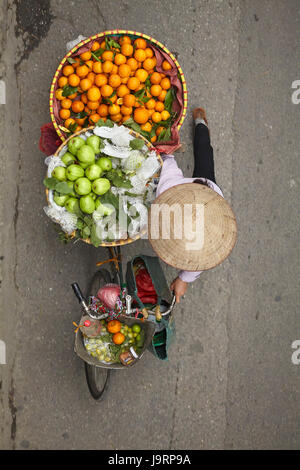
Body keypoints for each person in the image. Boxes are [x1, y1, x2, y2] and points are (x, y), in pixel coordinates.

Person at [148, 108, 237, 303]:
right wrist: (164, 152)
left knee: (206, 157)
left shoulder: (212, 237)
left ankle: (201, 124)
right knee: (204, 152)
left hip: (210, 193)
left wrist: (183, 279)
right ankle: (200, 123)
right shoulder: (169, 189)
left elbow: (199, 260)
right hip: (199, 186)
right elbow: (167, 163)